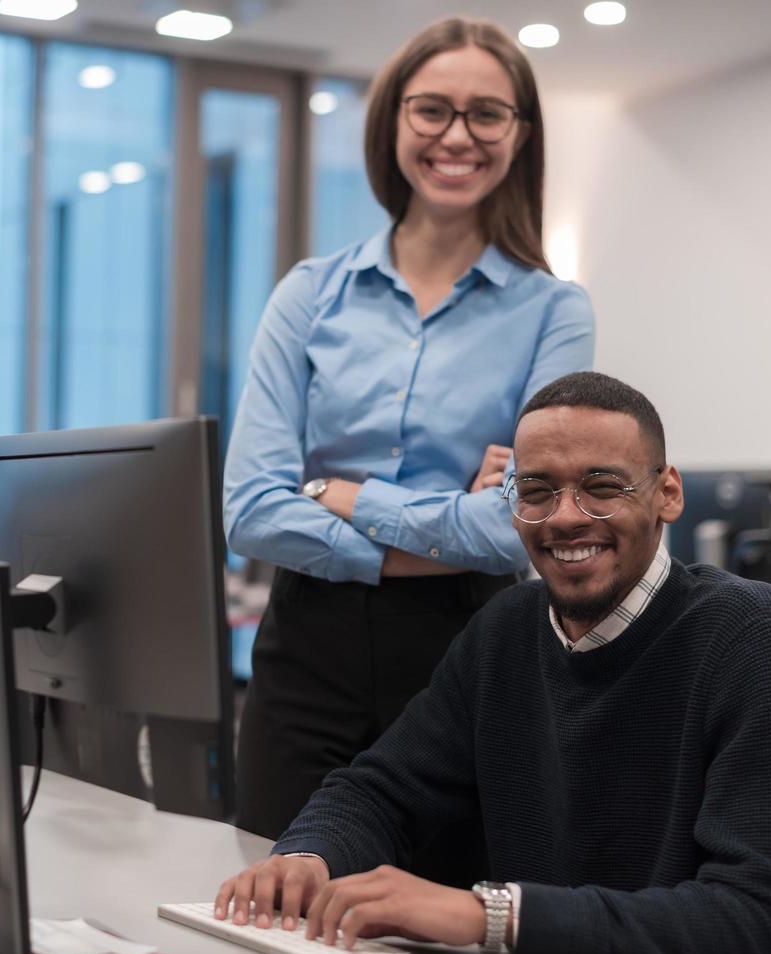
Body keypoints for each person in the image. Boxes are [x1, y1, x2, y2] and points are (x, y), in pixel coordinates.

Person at [215, 372, 771, 954]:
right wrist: (307, 857)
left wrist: (491, 917)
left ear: (666, 494)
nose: (565, 517)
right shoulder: (506, 628)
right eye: (536, 491)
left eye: (602, 487)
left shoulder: (752, 635)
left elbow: (770, 925)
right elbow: (381, 790)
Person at [223, 16, 595, 853]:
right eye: (432, 110)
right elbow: (249, 511)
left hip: (467, 651)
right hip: (306, 655)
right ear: (393, 120)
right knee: (272, 899)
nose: (456, 136)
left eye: (486, 114)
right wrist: (448, 522)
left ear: (519, 135)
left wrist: (341, 495)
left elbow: (518, 530)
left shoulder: (554, 312)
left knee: (435, 921)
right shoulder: (311, 295)